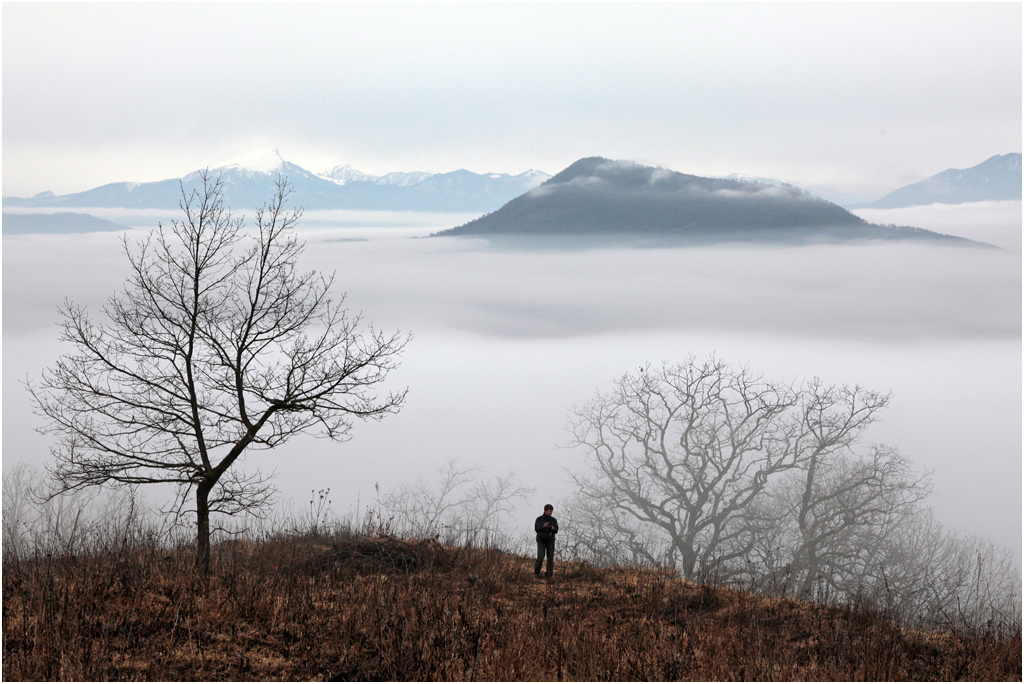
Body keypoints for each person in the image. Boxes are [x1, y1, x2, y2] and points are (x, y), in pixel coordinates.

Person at [534, 504, 558, 578]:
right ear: (545, 510)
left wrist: (553, 528)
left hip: (550, 541)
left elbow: (556, 530)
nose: (551, 513)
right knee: (540, 557)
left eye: (551, 511)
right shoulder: (539, 519)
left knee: (550, 558)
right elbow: (536, 529)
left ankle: (549, 575)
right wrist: (543, 526)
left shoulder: (553, 520)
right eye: (549, 511)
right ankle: (536, 573)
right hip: (541, 541)